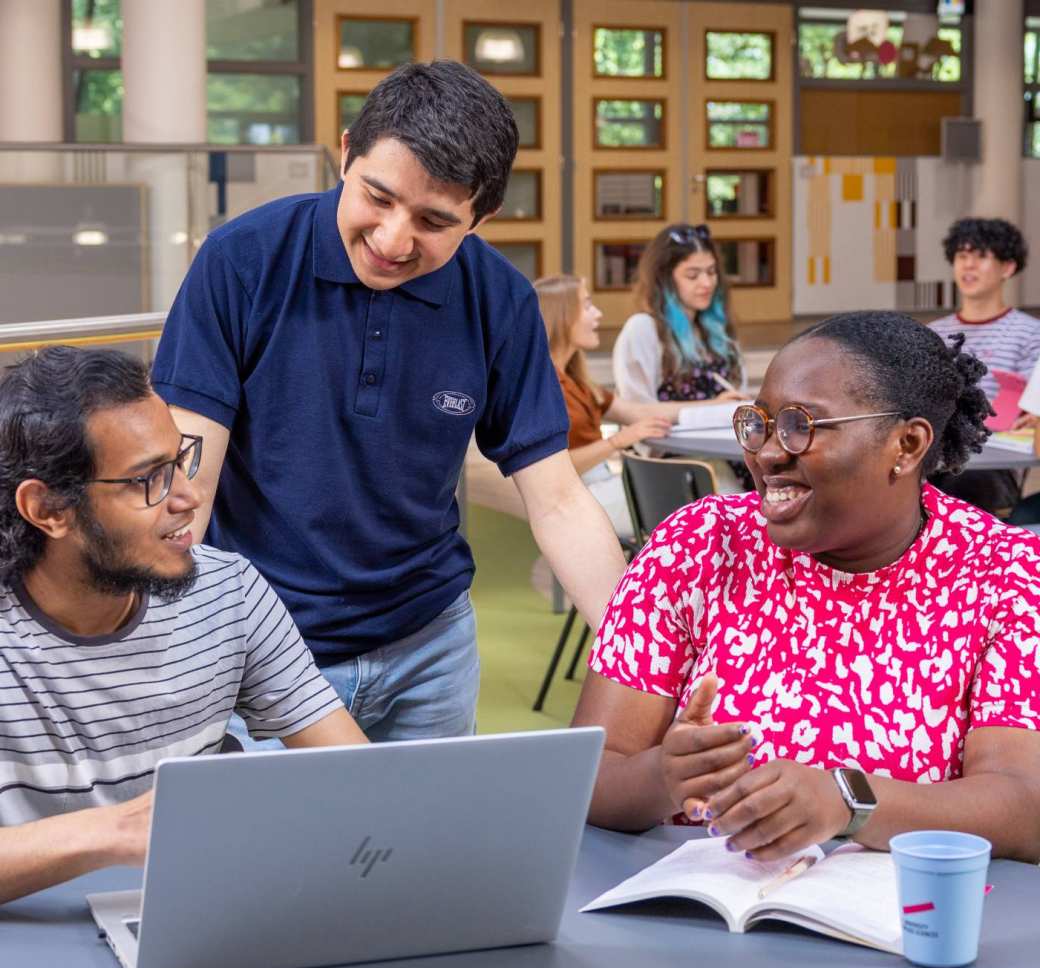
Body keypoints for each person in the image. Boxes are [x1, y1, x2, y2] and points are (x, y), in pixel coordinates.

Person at [151, 61, 626, 743]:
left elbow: (557, 500)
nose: (393, 239)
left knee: (432, 850)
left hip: (429, 645)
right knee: (272, 850)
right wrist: (166, 648)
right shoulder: (242, 262)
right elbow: (187, 485)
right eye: (378, 196)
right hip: (261, 646)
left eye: (434, 220)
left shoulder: (500, 303)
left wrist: (647, 661)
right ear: (346, 153)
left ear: (481, 218)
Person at [572, 311, 1040, 863]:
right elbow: (589, 775)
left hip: (892, 930)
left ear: (907, 445)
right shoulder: (699, 544)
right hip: (693, 918)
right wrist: (663, 774)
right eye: (760, 423)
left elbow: (1023, 806)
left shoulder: (1004, 573)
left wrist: (848, 801)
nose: (767, 453)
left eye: (801, 425)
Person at [0, 347, 367, 905]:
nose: (189, 498)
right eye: (148, 479)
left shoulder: (229, 590)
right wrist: (112, 834)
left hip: (199, 914)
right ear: (49, 508)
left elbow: (359, 775)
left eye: (180, 462)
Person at [535, 274, 700, 539]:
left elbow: (641, 413)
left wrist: (715, 407)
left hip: (601, 490)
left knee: (698, 494)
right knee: (698, 501)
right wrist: (620, 440)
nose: (598, 314)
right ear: (562, 316)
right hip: (585, 499)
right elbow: (553, 469)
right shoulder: (545, 386)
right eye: (588, 306)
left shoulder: (576, 381)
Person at [612, 223, 747, 492]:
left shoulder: (719, 334)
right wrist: (714, 408)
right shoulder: (643, 329)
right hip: (677, 467)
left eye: (711, 272)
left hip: (726, 456)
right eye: (692, 275)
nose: (707, 283)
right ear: (666, 279)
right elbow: (636, 414)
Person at [928, 217, 1040, 513]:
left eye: (980, 256)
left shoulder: (1030, 333)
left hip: (993, 465)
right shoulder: (934, 333)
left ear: (1008, 267)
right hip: (935, 452)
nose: (968, 265)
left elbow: (1029, 410)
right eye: (962, 256)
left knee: (959, 485)